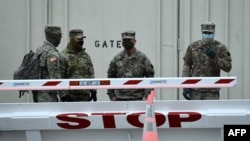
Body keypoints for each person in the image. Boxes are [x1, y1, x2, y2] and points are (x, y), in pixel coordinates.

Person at [182, 21, 232, 100]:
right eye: (205, 33)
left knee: (211, 112)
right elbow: (187, 65)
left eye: (210, 33)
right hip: (195, 90)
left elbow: (228, 67)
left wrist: (214, 57)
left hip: (211, 91)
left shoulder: (220, 48)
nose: (207, 35)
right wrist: (185, 85)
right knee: (195, 112)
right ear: (202, 33)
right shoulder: (193, 46)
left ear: (213, 33)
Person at [107, 30, 155, 101]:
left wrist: (146, 96)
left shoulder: (142, 58)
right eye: (124, 40)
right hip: (120, 98)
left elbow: (150, 77)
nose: (127, 42)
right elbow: (110, 77)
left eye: (129, 40)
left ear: (135, 41)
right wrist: (112, 96)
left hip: (138, 98)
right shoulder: (117, 58)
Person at [60, 29, 97, 102]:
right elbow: (60, 78)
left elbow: (90, 74)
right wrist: (64, 95)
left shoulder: (85, 56)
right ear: (71, 39)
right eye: (78, 39)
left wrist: (93, 90)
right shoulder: (63, 56)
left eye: (82, 39)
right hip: (70, 98)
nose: (81, 41)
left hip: (85, 97)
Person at [35, 25, 67, 102]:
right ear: (55, 36)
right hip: (48, 96)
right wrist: (64, 95)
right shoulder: (52, 54)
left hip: (38, 93)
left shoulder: (40, 50)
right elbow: (55, 78)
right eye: (60, 36)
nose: (60, 39)